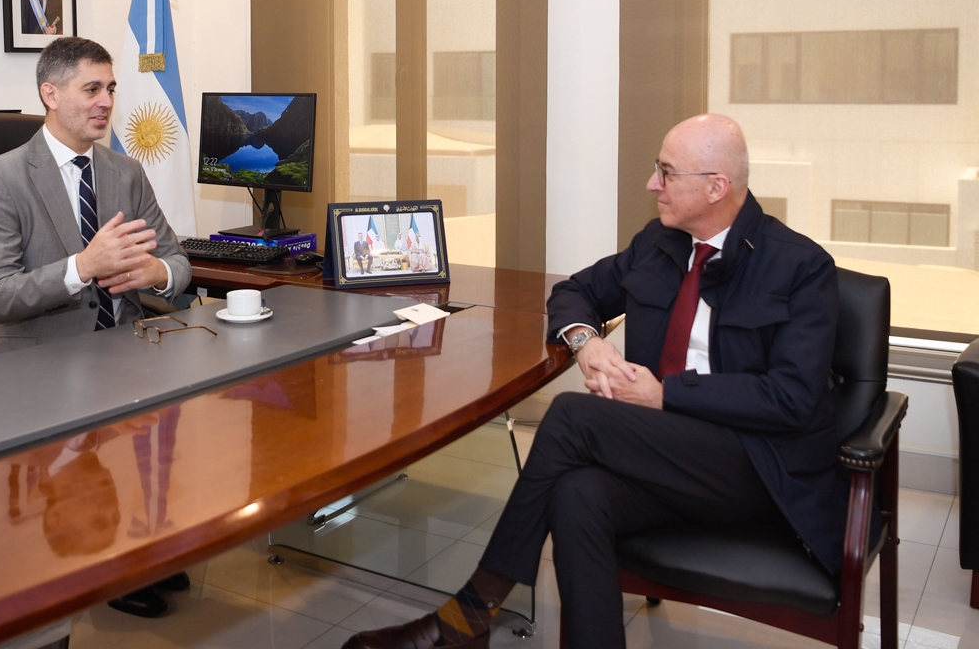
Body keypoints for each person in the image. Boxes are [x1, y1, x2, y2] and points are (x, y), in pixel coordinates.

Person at [342, 114, 842, 649]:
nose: (652, 184)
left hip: (756, 469)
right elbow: (575, 291)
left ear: (716, 187)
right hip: (664, 452)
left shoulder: (800, 267)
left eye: (666, 173)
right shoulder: (660, 243)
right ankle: (475, 625)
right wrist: (587, 341)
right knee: (578, 493)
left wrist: (664, 394)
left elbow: (792, 398)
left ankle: (466, 620)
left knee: (571, 415)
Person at [0, 36, 193, 618]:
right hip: (38, 362)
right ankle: (102, 562)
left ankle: (147, 545)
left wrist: (158, 272)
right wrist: (82, 267)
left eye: (111, 88)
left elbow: (177, 260)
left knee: (191, 424)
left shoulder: (125, 172)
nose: (106, 102)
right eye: (91, 89)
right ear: (51, 93)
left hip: (125, 354)